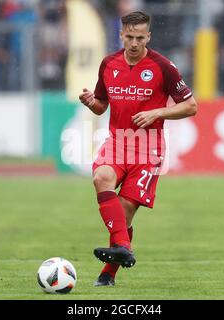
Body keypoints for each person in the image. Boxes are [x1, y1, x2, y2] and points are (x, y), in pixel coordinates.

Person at [78, 11, 198, 287]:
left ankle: (108, 274)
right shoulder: (108, 64)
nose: (134, 43)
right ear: (121, 35)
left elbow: (191, 106)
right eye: (129, 37)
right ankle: (123, 248)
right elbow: (101, 105)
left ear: (149, 37)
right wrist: (90, 102)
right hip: (117, 142)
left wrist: (158, 112)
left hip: (148, 149)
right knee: (101, 178)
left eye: (140, 38)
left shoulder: (163, 66)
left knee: (125, 209)